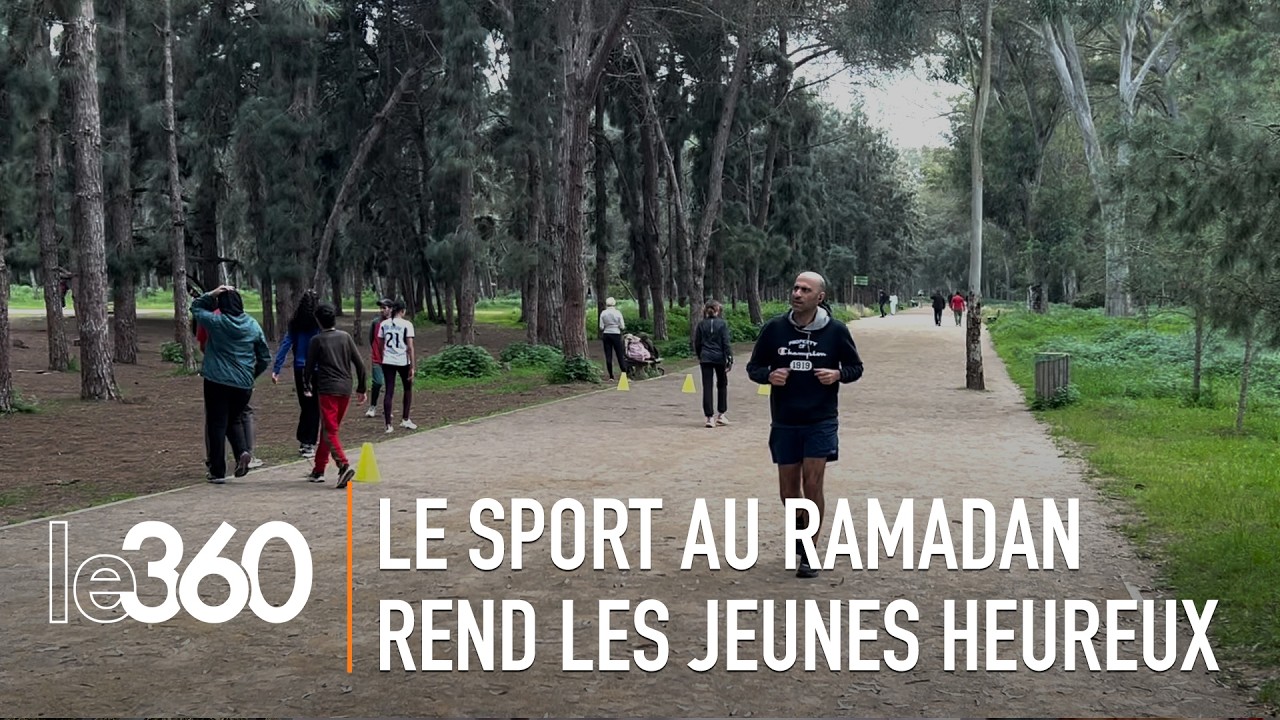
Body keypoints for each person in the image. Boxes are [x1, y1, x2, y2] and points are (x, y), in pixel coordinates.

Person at [746, 272, 863, 579]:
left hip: (821, 419)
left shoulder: (836, 331)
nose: (797, 293)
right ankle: (801, 525)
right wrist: (769, 376)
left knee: (813, 485)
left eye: (805, 289)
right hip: (785, 419)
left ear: (819, 297)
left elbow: (855, 367)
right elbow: (754, 367)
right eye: (795, 287)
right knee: (788, 491)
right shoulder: (774, 329)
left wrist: (837, 375)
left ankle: (810, 552)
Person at [190, 285, 270, 484]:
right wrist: (252, 374)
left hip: (217, 380)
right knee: (234, 419)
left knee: (217, 424)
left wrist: (212, 293)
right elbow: (264, 356)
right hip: (243, 383)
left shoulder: (216, 322)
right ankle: (242, 452)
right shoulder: (252, 325)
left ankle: (217, 471)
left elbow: (196, 308)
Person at [302, 303, 367, 489]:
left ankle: (343, 465)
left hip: (327, 389)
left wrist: (307, 386)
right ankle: (319, 469)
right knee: (329, 429)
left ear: (318, 321)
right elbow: (360, 365)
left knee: (330, 431)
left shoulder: (317, 340)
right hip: (345, 388)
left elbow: (308, 367)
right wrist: (361, 388)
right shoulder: (345, 337)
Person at [272, 291, 322, 458]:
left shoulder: (295, 323)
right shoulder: (319, 324)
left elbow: (285, 345)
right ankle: (308, 442)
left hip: (299, 369)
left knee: (306, 405)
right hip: (316, 369)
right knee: (314, 407)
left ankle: (304, 440)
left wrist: (276, 368)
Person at [693, 300, 733, 428]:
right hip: (719, 358)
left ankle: (709, 417)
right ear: (717, 310)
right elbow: (725, 342)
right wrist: (729, 358)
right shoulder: (722, 324)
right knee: (722, 385)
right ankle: (721, 414)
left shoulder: (701, 325)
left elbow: (697, 343)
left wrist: (700, 355)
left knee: (707, 387)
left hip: (705, 358)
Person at [379, 300, 417, 433]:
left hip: (388, 360)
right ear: (403, 311)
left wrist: (383, 356)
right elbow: (410, 347)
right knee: (407, 388)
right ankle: (405, 419)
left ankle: (388, 425)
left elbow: (380, 343)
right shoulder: (407, 324)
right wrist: (412, 366)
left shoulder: (384, 324)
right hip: (402, 361)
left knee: (389, 391)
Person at [364, 298, 394, 417]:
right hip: (377, 358)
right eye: (380, 308)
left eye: (384, 308)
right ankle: (373, 406)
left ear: (390, 309)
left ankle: (387, 408)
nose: (382, 310)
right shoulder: (375, 322)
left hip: (391, 358)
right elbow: (372, 339)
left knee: (389, 384)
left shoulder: (395, 322)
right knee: (377, 382)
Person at [599, 297, 627, 380]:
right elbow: (622, 326)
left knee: (608, 355)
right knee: (619, 354)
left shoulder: (603, 313)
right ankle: (624, 373)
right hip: (616, 333)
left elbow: (601, 327)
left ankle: (611, 376)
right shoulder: (618, 313)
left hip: (606, 334)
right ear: (614, 303)